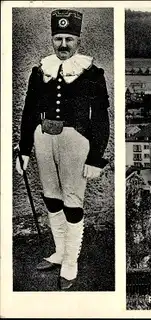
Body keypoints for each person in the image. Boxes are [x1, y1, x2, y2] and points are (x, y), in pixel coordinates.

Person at [15, 9, 110, 290]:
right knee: (51, 198)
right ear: (52, 39)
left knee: (72, 201)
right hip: (43, 136)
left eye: (69, 38)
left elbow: (101, 118)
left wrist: (96, 157)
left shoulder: (92, 73)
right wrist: (24, 148)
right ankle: (59, 252)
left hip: (75, 141)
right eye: (58, 38)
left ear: (78, 40)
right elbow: (29, 111)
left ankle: (71, 261)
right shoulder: (39, 70)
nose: (64, 45)